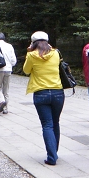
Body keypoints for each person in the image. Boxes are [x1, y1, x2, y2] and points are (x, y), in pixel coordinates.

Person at [22, 31, 64, 166]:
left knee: (47, 124)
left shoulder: (32, 55)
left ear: (33, 43)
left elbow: (26, 70)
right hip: (58, 92)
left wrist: (28, 52)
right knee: (55, 122)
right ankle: (54, 152)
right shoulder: (56, 53)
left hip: (41, 93)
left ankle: (52, 156)